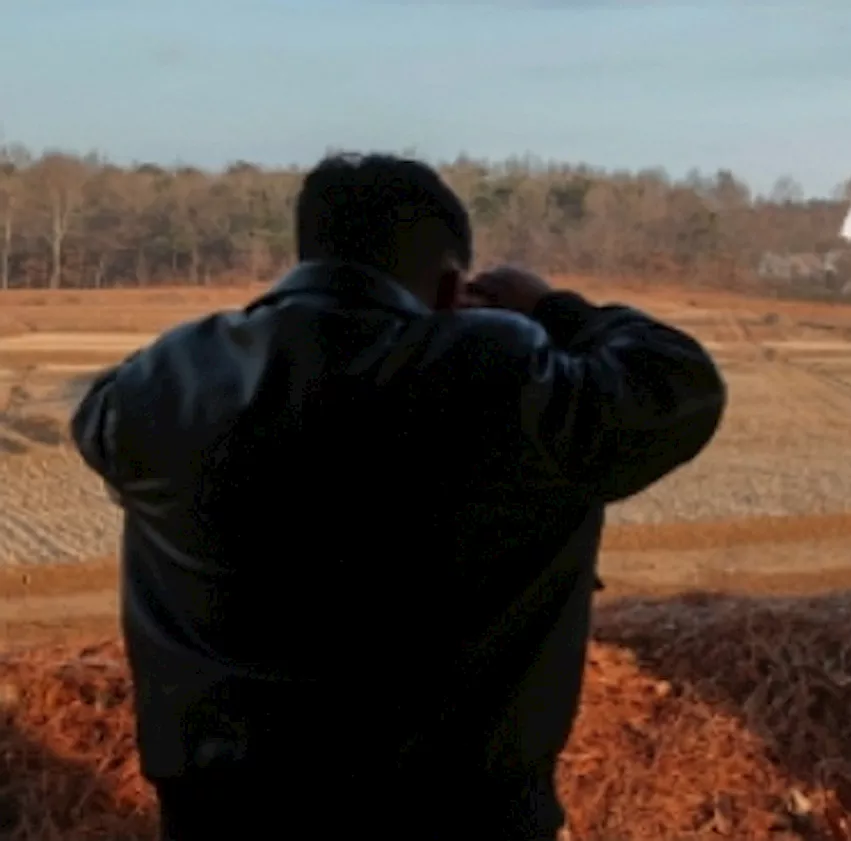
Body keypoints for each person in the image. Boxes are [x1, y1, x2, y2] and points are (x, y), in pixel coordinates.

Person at [70, 152, 726, 840]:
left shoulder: (161, 382)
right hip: (461, 817)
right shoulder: (502, 379)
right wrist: (549, 307)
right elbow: (677, 381)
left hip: (223, 816)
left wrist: (271, 325)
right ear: (451, 287)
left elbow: (105, 421)